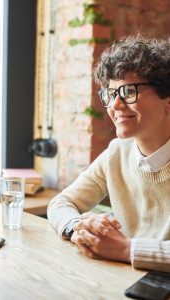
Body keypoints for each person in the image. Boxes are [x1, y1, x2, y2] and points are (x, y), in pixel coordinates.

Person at [47, 35, 170, 272]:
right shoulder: (117, 152)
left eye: (129, 91)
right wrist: (79, 229)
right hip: (119, 281)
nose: (115, 105)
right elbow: (62, 202)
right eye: (111, 94)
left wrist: (126, 249)